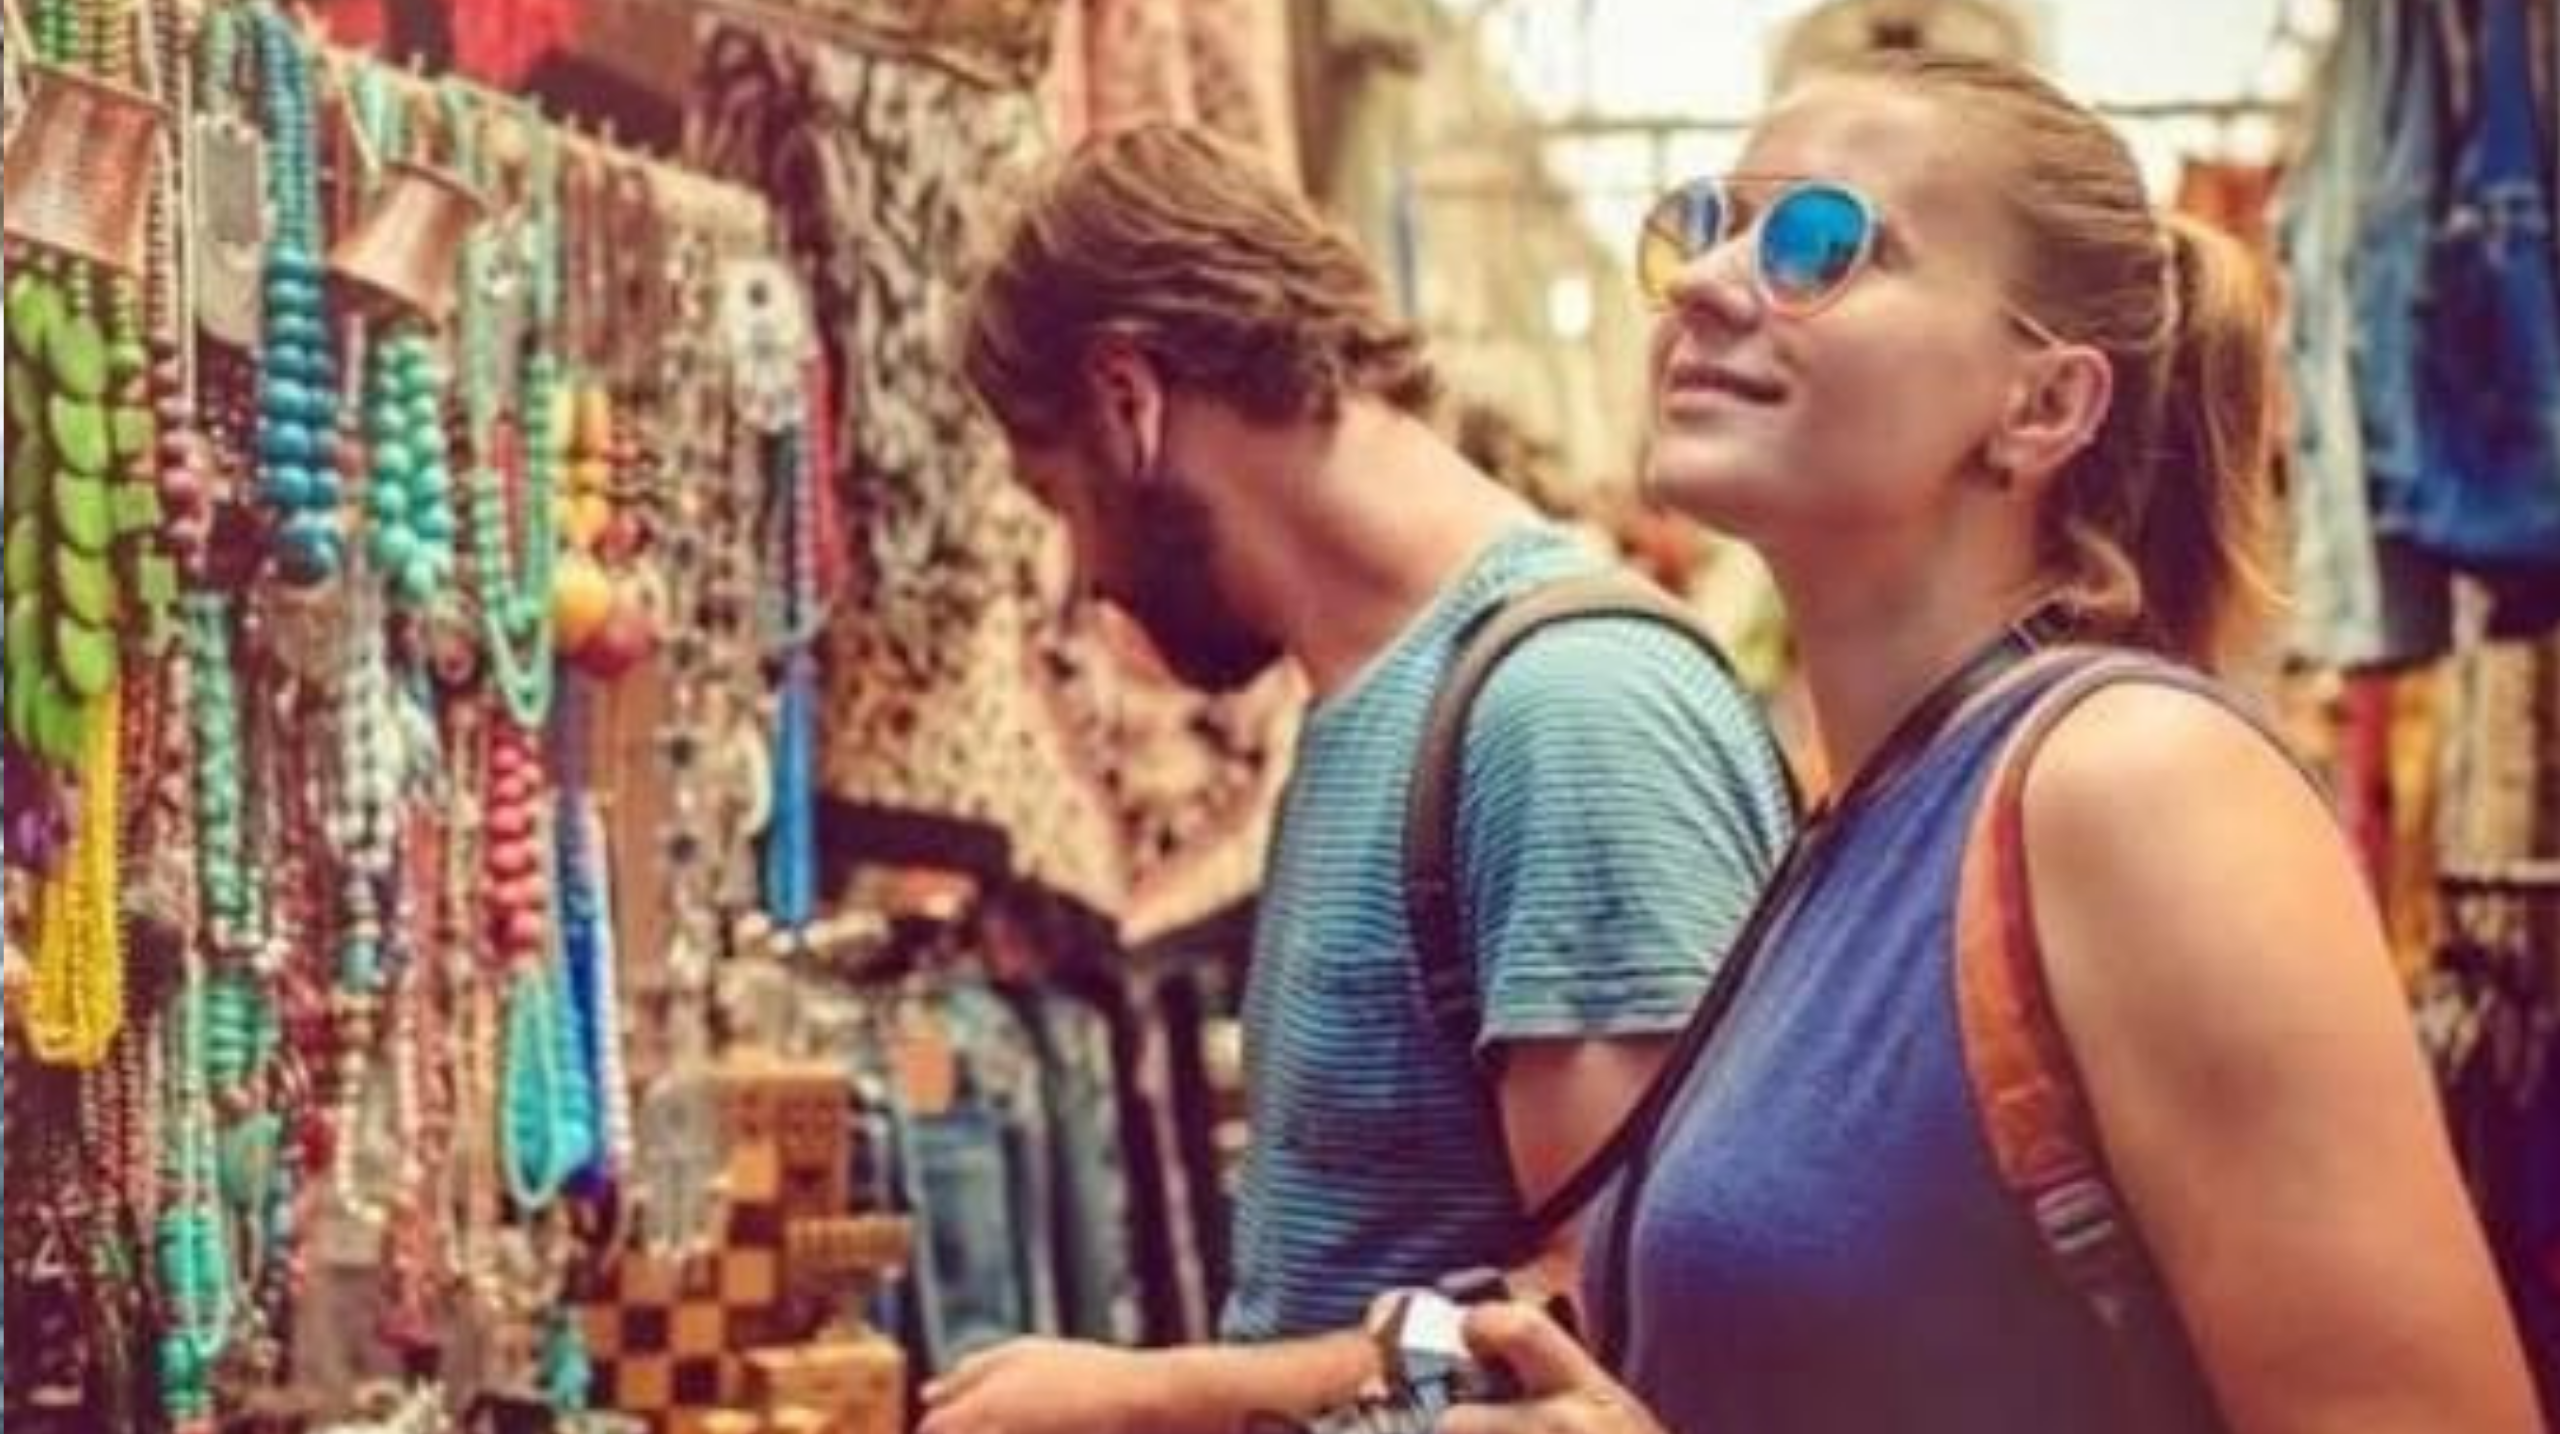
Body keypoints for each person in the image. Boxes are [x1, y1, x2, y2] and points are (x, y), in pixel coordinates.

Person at [1436, 50, 2543, 1434]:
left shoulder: (2136, 786)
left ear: (2043, 406)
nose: (1707, 283)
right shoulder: (1868, 811)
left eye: (1821, 244)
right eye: (1709, 225)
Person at [916, 124, 1797, 1434]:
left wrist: (1152, 1400)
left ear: (1126, 401)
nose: (1085, 575)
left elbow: (1614, 1322)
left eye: (1059, 501)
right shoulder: (1378, 704)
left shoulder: (1568, 714)